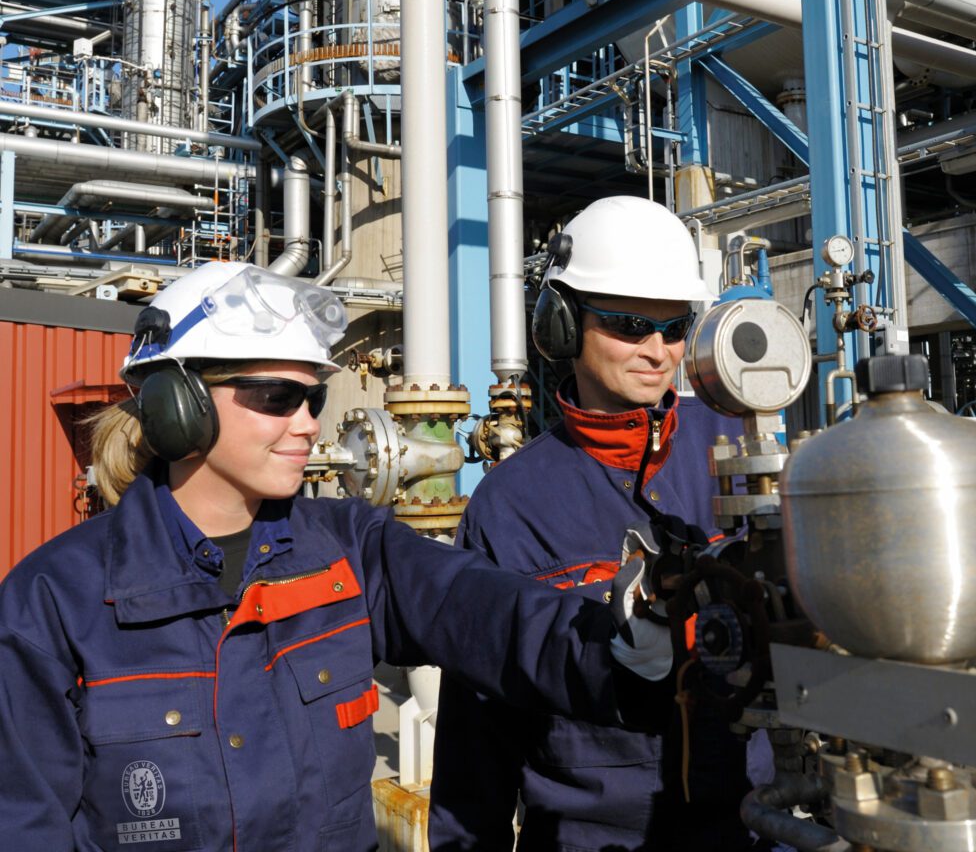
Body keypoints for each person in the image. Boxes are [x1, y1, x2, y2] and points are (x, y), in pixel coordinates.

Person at [0, 261, 672, 852]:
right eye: (277, 398)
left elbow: (492, 614)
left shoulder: (349, 550)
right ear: (179, 406)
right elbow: (25, 825)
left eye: (313, 396)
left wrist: (622, 642)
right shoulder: (57, 601)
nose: (309, 422)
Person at [429, 196, 755, 851]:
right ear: (561, 324)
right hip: (590, 835)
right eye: (630, 325)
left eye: (673, 327)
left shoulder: (741, 451)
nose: (658, 351)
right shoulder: (509, 504)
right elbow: (476, 732)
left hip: (750, 823)